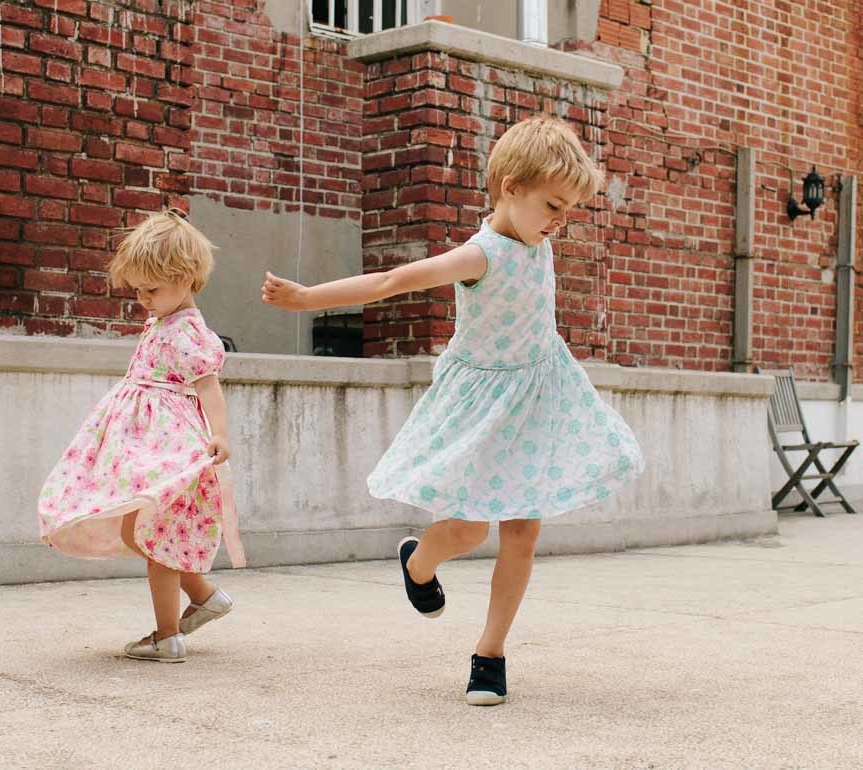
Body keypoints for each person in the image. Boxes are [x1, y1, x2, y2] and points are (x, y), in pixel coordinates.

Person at [262, 115, 644, 704]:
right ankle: (418, 562)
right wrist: (308, 298)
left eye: (569, 208)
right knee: (467, 528)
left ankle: (489, 656)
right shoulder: (479, 255)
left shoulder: (539, 244)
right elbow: (392, 280)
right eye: (552, 205)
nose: (560, 220)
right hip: (481, 405)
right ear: (511, 187)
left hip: (539, 397)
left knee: (522, 531)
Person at [39, 209, 246, 663]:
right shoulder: (161, 323)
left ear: (187, 278)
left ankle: (167, 636)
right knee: (142, 533)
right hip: (143, 444)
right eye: (138, 290)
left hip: (169, 446)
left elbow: (208, 387)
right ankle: (205, 596)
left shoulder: (189, 331)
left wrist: (221, 435)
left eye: (152, 290)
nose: (144, 300)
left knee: (154, 535)